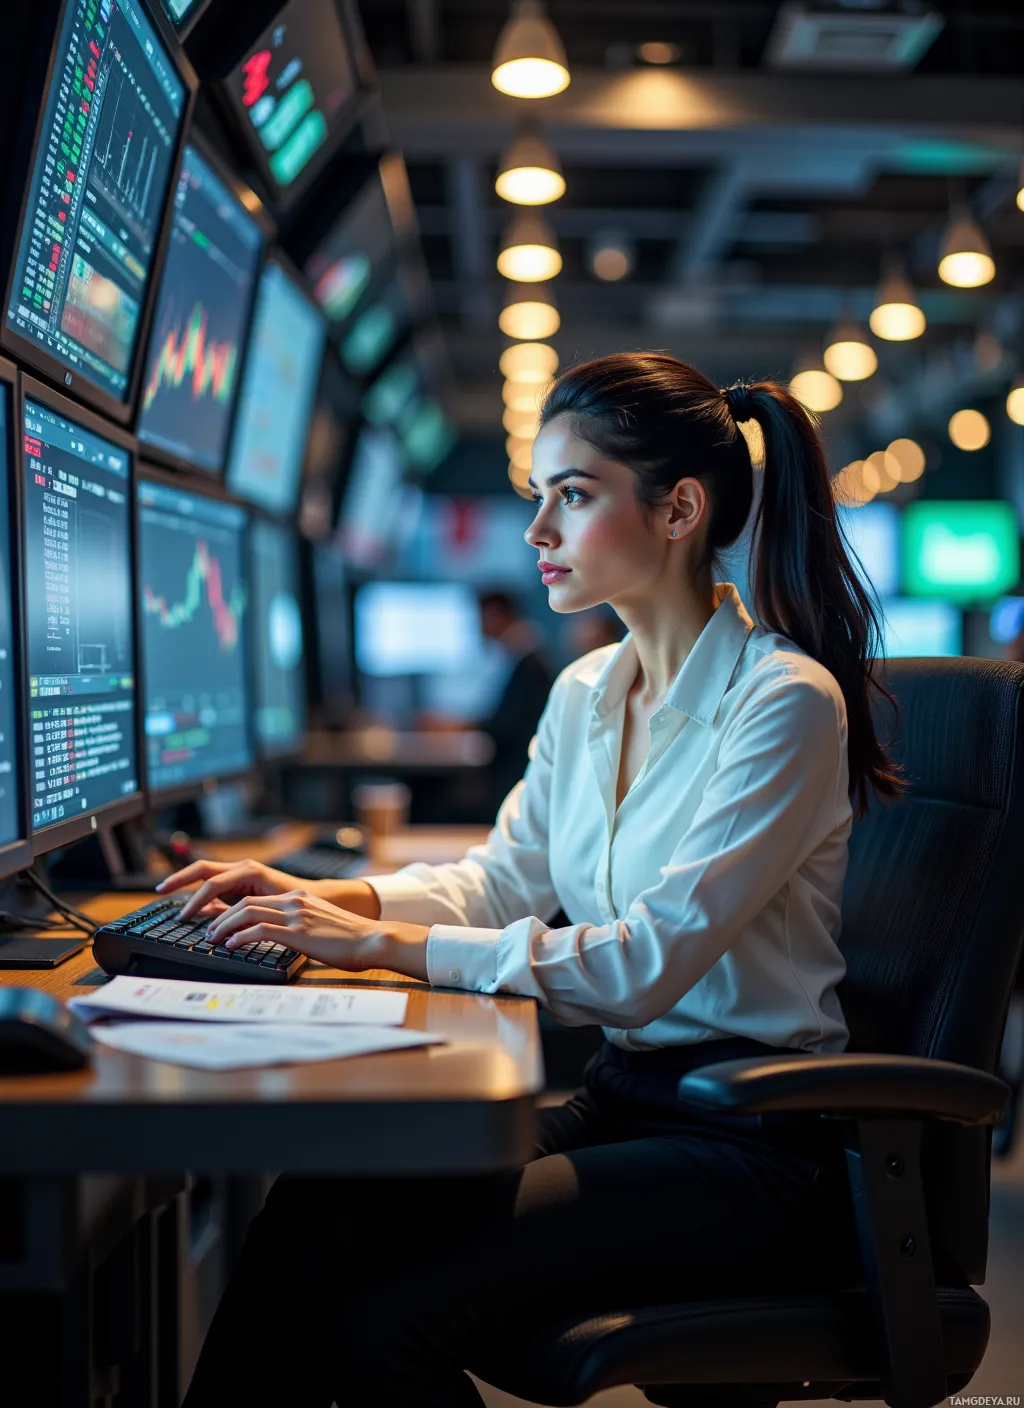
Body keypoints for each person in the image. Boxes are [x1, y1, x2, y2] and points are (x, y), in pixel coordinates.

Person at [166, 353, 901, 1408]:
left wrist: (376, 943)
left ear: (679, 508)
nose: (536, 532)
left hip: (749, 1140)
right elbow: (500, 881)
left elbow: (645, 965)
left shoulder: (784, 701)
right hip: (623, 1098)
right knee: (317, 1211)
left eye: (573, 494)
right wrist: (320, 902)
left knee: (387, 1318)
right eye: (537, 497)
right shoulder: (586, 688)